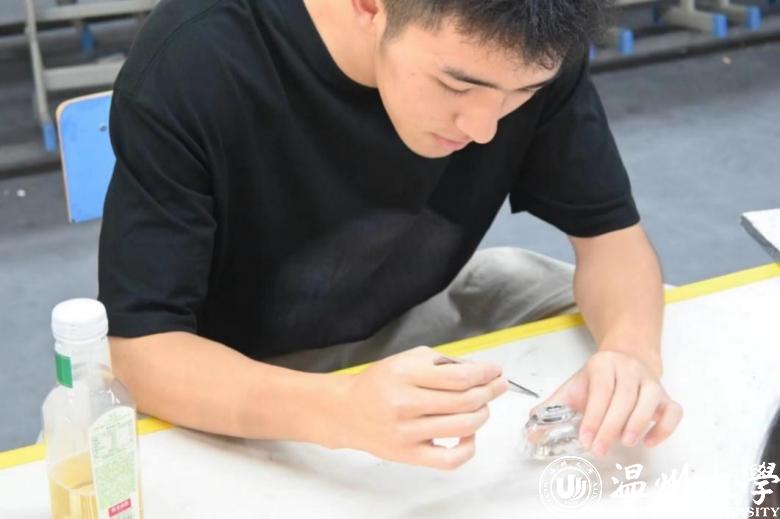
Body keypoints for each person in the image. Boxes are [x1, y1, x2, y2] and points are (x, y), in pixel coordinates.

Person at [98, 0, 682, 470]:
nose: (484, 128)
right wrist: (337, 409)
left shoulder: (532, 43)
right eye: (457, 87)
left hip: (415, 310)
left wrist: (630, 355)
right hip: (250, 364)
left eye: (523, 95)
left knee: (654, 330)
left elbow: (613, 240)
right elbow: (141, 350)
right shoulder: (198, 57)